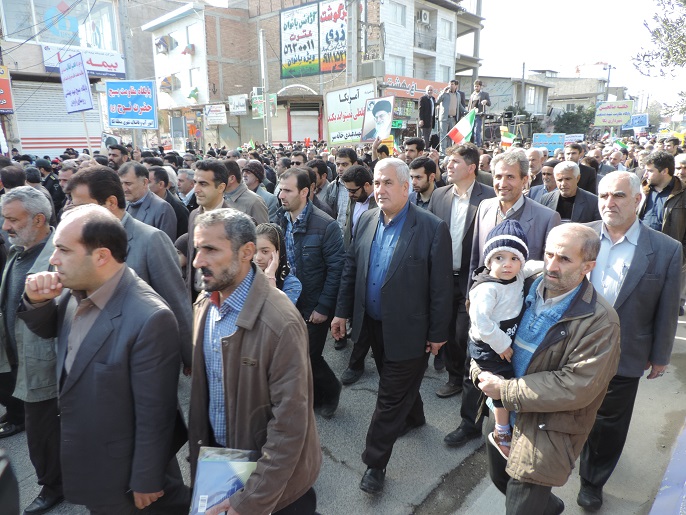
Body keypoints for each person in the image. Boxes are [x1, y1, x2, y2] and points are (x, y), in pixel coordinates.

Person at [19, 205, 190, 514]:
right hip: (90, 461)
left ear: (101, 256)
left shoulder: (150, 317)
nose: (53, 259)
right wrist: (36, 301)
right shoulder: (75, 290)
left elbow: (155, 412)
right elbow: (53, 331)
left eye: (63, 250)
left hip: (123, 478)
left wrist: (147, 478)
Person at [477, 223, 621, 515]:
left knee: (519, 506)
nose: (552, 266)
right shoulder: (520, 285)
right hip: (502, 415)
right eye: (549, 254)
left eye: (564, 259)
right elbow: (481, 335)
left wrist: (504, 389)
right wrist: (478, 370)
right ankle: (549, 507)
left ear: (588, 266)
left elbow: (576, 385)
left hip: (546, 432)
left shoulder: (601, 321)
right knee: (500, 478)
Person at [331, 158, 452, 494]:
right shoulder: (367, 219)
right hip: (372, 324)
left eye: (387, 183)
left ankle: (375, 463)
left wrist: (438, 334)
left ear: (405, 187)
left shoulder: (431, 228)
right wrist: (341, 313)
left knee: (388, 398)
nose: (380, 190)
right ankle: (414, 417)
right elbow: (351, 269)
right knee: (394, 383)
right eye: (377, 182)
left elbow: (441, 288)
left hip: (411, 330)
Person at [188, 209, 321, 515]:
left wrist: (252, 500)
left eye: (210, 249)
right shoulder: (205, 303)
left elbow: (289, 426)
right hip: (222, 471)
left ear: (246, 252)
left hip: (274, 488)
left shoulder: (281, 322)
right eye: (197, 249)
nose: (197, 261)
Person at [579, 171, 682, 511]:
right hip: (573, 349)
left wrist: (660, 355)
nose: (609, 202)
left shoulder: (666, 249)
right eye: (604, 195)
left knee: (609, 423)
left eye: (619, 195)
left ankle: (592, 481)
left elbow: (667, 308)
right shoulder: (579, 236)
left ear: (638, 200)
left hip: (626, 351)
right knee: (570, 411)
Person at [444, 149, 560, 449]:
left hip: (521, 318)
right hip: (484, 309)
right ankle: (469, 424)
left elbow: (548, 272)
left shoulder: (547, 217)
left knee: (512, 375)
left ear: (525, 179)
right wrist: (471, 296)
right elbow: (476, 258)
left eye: (510, 176)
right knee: (475, 368)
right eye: (497, 176)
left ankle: (511, 431)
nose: (502, 183)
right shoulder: (484, 207)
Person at [0, 187, 63, 514]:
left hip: (45, 362)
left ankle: (53, 487)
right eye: (4, 219)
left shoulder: (58, 257)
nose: (5, 226)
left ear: (38, 219)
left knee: (42, 434)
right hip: (17, 358)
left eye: (13, 219)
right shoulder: (18, 251)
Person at [468, 220, 542, 459]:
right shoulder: (487, 289)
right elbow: (482, 323)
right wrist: (502, 345)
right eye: (499, 258)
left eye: (514, 258)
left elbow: (531, 266)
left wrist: (550, 265)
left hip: (504, 338)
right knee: (502, 385)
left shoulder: (517, 274)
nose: (507, 264)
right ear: (489, 261)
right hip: (488, 344)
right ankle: (501, 431)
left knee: (507, 381)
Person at [427, 143, 495, 397]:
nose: (448, 165)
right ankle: (455, 378)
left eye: (455, 162)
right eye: (448, 161)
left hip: (473, 279)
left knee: (465, 333)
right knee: (447, 331)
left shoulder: (489, 197)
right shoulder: (439, 195)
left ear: (471, 167)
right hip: (443, 277)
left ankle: (473, 381)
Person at [277, 168, 344, 418]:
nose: (281, 195)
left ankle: (331, 390)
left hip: (313, 304)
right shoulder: (281, 219)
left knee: (309, 355)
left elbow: (337, 270)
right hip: (289, 303)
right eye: (280, 189)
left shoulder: (326, 225)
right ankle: (313, 393)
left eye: (287, 190)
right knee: (297, 355)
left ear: (304, 192)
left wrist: (323, 307)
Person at [118, 162, 177, 242]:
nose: (124, 189)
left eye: (128, 184)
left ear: (145, 182)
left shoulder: (162, 208)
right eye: (121, 183)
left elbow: (165, 245)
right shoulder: (124, 204)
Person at [254, 223, 302, 305]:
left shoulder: (292, 284)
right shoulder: (245, 277)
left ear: (278, 252)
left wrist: (270, 277)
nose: (258, 257)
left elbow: (277, 310)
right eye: (254, 251)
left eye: (265, 251)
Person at [437, 80, 467, 153]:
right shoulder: (444, 93)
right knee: (443, 135)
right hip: (444, 118)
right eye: (449, 84)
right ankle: (442, 151)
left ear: (456, 86)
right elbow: (437, 101)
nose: (450, 85)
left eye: (452, 84)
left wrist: (466, 111)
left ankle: (449, 151)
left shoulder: (458, 95)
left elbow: (459, 105)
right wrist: (443, 92)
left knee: (451, 136)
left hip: (453, 118)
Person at [467, 80, 491, 147]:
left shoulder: (484, 94)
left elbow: (489, 103)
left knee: (477, 131)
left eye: (477, 86)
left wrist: (486, 101)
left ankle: (478, 145)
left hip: (479, 115)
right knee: (471, 131)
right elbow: (469, 105)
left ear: (480, 86)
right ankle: (471, 145)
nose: (476, 88)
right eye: (475, 86)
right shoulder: (472, 95)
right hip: (472, 115)